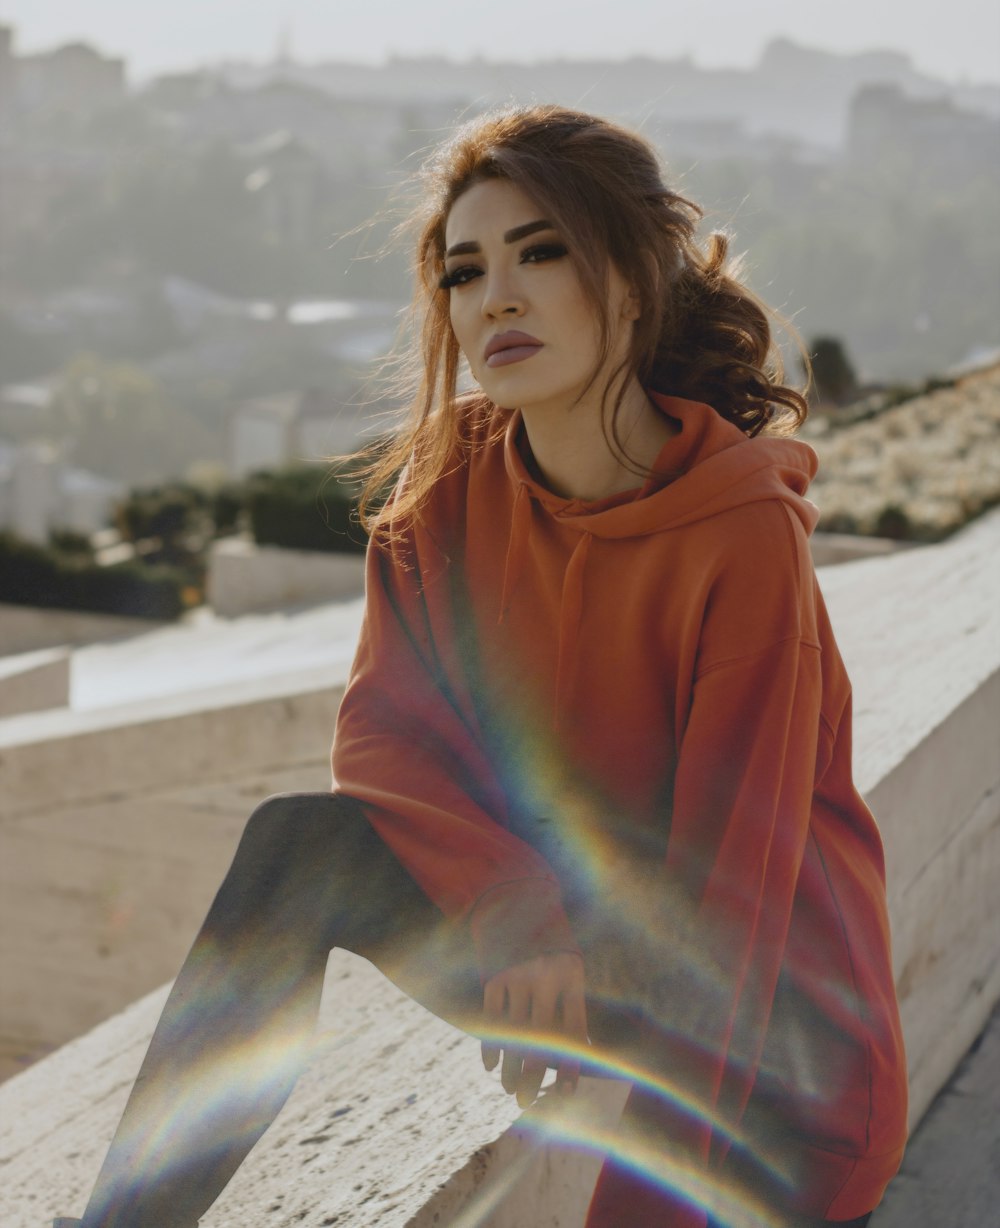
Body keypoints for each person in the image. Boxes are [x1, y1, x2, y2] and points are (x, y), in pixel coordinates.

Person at [59, 105, 908, 1228]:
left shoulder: (738, 535)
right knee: (298, 846)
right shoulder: (444, 490)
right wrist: (515, 913)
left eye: (541, 252)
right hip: (561, 939)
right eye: (464, 273)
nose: (494, 297)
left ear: (635, 281)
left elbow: (731, 913)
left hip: (779, 1046)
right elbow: (385, 745)